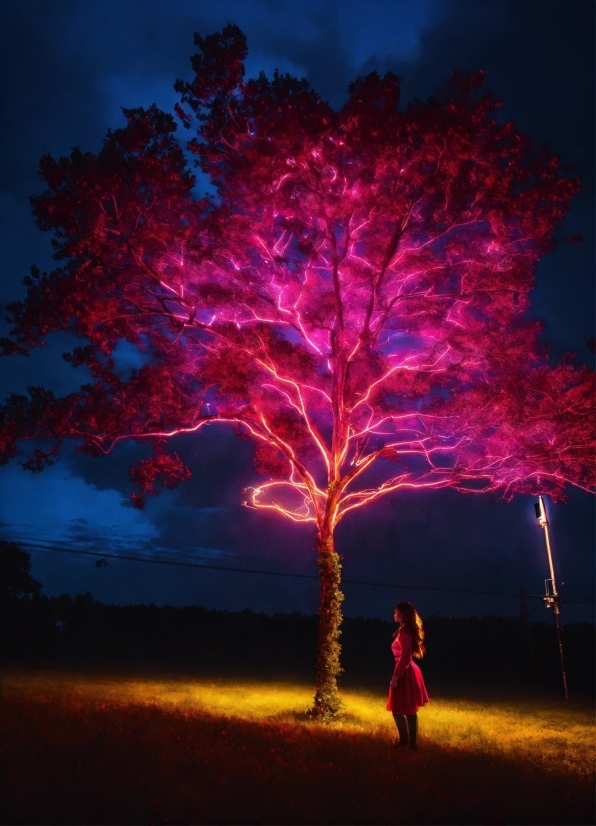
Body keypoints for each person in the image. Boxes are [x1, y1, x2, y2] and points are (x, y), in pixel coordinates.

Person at [387, 601, 429, 750]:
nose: (394, 614)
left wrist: (395, 677)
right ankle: (410, 744)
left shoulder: (405, 632)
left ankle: (407, 743)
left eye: (396, 612)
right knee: (408, 709)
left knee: (399, 709)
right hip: (407, 670)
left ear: (402, 614)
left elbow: (405, 657)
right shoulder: (404, 630)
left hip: (405, 671)